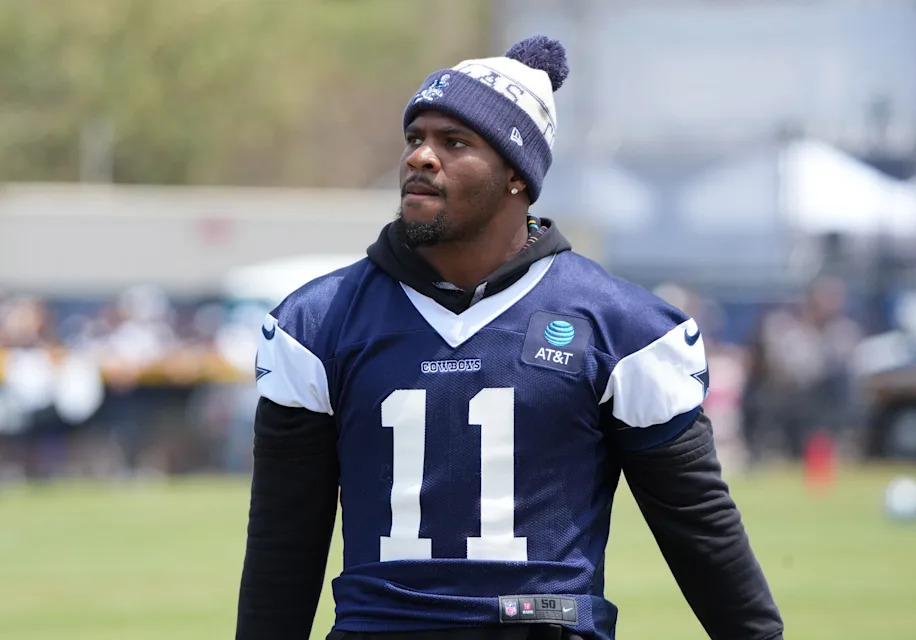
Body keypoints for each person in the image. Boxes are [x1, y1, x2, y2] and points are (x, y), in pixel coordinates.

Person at [237, 36, 783, 640]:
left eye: (454, 142)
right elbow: (283, 544)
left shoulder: (617, 327)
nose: (420, 156)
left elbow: (699, 530)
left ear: (516, 177)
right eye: (415, 137)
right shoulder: (321, 322)